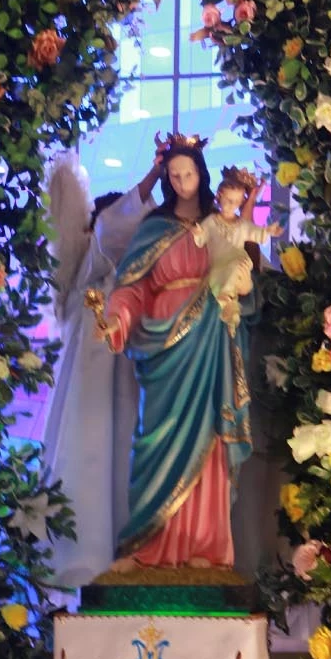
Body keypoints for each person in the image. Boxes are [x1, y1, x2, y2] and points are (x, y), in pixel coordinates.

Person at [91, 136, 259, 572]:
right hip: (163, 349)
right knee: (154, 437)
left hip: (211, 339)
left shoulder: (221, 223)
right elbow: (132, 288)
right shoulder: (154, 228)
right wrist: (116, 321)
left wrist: (243, 287)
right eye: (174, 174)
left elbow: (246, 279)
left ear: (202, 173)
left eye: (189, 172)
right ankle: (145, 544)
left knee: (210, 439)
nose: (183, 181)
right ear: (167, 178)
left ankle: (207, 547)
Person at [39, 150, 157, 588]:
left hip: (124, 380)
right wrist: (152, 176)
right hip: (93, 388)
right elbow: (113, 231)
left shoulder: (121, 280)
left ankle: (128, 550)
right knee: (90, 460)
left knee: (123, 459)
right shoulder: (94, 269)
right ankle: (86, 558)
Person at [193, 166, 280, 332]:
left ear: (241, 202)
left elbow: (256, 233)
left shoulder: (242, 224)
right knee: (222, 279)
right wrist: (197, 233)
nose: (231, 205)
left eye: (236, 202)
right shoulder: (211, 221)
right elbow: (201, 239)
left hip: (238, 264)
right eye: (228, 200)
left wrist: (269, 230)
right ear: (219, 197)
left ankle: (228, 304)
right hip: (218, 267)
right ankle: (227, 307)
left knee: (237, 267)